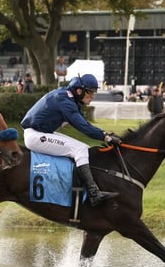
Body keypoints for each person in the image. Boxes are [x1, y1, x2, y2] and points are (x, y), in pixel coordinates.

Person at [21, 74, 120, 207]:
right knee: (80, 149)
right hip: (35, 136)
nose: (93, 96)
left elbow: (84, 122)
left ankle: (79, 186)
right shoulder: (65, 100)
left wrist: (105, 134)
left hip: (39, 133)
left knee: (84, 148)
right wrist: (106, 137)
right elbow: (83, 127)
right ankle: (93, 194)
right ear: (79, 90)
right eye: (90, 93)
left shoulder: (68, 97)